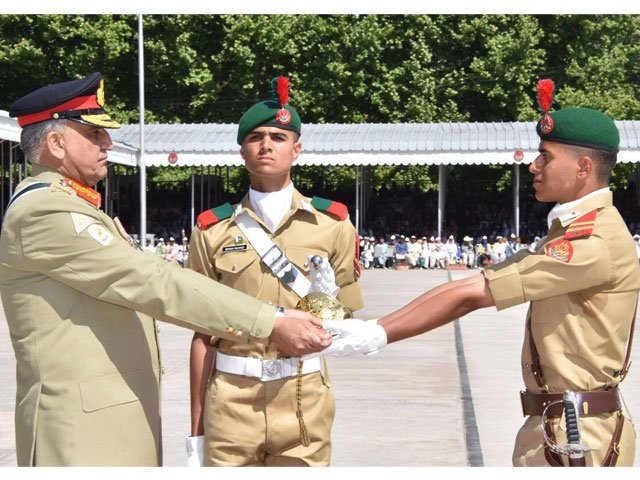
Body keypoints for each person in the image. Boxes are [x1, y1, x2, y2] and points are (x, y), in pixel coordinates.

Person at [0, 72, 331, 467]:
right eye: (93, 134)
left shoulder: (71, 205)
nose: (107, 142)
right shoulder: (46, 211)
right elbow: (153, 281)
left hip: (104, 422)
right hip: (81, 434)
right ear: (55, 143)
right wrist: (270, 321)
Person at [318, 85, 640, 467]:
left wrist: (375, 333)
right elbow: (474, 283)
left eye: (545, 157)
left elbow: (473, 293)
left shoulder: (592, 241)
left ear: (583, 167)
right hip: (560, 423)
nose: (533, 166)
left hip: (576, 433)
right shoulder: (572, 231)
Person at [186, 76, 363, 467]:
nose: (266, 145)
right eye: (256, 137)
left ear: (296, 149)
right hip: (231, 402)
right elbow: (202, 337)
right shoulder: (211, 231)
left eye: (279, 137)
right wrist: (196, 432)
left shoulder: (333, 223)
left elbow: (346, 318)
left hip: (304, 399)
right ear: (242, 150)